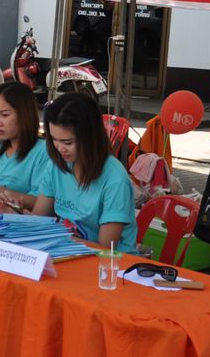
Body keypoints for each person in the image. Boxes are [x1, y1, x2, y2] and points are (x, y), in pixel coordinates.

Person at [31, 92, 136, 250]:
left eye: (67, 142)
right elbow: (39, 218)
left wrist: (55, 236)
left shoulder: (115, 180)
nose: (60, 148)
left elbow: (105, 248)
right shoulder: (56, 166)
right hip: (63, 251)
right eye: (54, 139)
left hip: (108, 265)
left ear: (90, 136)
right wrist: (18, 217)